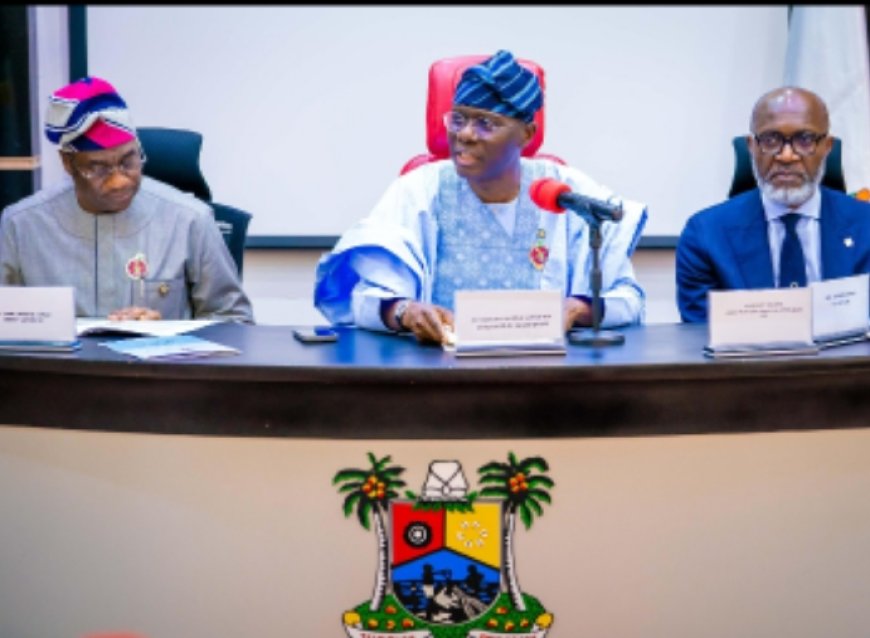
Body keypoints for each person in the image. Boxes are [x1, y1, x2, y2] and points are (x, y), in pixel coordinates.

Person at [313, 50, 647, 344]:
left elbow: (628, 300)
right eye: (458, 119)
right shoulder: (418, 190)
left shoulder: (566, 191)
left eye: (486, 123)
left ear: (527, 134)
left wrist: (578, 308)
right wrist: (404, 311)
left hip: (546, 377)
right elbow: (363, 299)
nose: (465, 135)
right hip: (438, 374)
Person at [0, 76, 254, 322]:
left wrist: (168, 333)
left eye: (128, 162)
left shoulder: (190, 220)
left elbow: (235, 322)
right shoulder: (21, 226)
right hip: (58, 366)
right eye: (98, 168)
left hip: (158, 366)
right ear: (68, 162)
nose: (119, 181)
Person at [676, 86, 870, 323]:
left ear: (827, 147)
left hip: (848, 359)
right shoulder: (706, 235)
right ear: (751, 147)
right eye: (770, 140)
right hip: (747, 360)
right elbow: (699, 336)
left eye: (805, 139)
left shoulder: (866, 225)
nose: (787, 156)